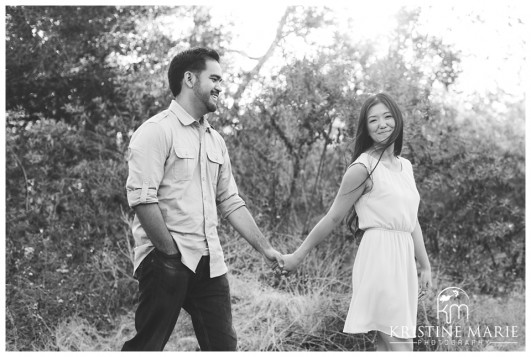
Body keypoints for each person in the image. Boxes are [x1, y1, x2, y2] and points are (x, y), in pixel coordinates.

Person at [122, 47, 283, 351]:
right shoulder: (155, 131)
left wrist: (266, 248)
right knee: (147, 346)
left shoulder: (216, 140)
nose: (221, 86)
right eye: (215, 78)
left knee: (223, 346)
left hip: (211, 264)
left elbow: (231, 201)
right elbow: (143, 200)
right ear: (190, 79)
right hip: (166, 261)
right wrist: (170, 254)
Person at [280, 92, 432, 351]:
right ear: (366, 128)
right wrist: (297, 255)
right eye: (373, 120)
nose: (382, 124)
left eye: (387, 117)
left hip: (403, 260)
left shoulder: (405, 166)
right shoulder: (362, 168)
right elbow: (334, 217)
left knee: (388, 347)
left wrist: (425, 266)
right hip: (379, 258)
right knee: (402, 347)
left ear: (398, 119)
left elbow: (411, 219)